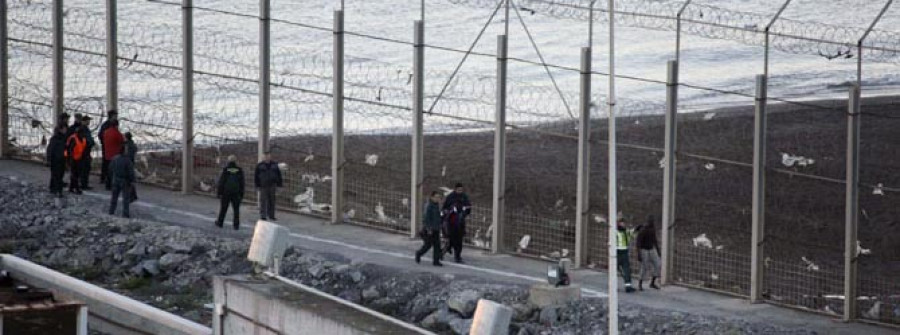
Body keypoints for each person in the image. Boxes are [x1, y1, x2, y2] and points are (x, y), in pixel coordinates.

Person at [442, 183, 471, 263]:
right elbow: (444, 208)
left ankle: (457, 256)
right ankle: (445, 252)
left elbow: (468, 207)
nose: (460, 191)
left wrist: (464, 213)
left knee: (459, 240)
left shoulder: (464, 197)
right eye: (459, 190)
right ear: (455, 189)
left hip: (460, 222)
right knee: (452, 240)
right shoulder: (450, 197)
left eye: (461, 190)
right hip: (451, 222)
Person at [415, 191, 444, 267]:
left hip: (436, 228)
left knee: (437, 245)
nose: (437, 199)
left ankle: (436, 261)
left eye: (439, 197)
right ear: (432, 197)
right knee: (428, 245)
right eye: (436, 197)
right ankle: (419, 253)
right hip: (429, 229)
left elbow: (439, 217)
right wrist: (428, 229)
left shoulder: (437, 206)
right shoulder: (429, 206)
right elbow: (426, 219)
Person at [216, 155, 244, 230]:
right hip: (236, 193)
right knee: (236, 210)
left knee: (223, 208)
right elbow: (242, 183)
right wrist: (241, 194)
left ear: (228, 161)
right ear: (236, 161)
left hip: (226, 192)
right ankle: (236, 225)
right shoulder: (239, 170)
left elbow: (222, 182)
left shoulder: (226, 169)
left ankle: (220, 222)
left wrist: (219, 193)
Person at [254, 151, 283, 221]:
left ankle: (271, 215)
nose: (267, 157)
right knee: (263, 201)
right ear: (263, 157)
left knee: (272, 201)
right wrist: (257, 185)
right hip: (263, 185)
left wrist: (280, 185)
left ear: (270, 156)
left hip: (272, 185)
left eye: (268, 156)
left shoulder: (275, 165)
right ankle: (263, 215)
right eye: (265, 156)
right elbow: (256, 176)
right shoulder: (259, 165)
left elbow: (279, 175)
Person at [108, 146, 135, 218]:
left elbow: (110, 168)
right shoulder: (127, 160)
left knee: (114, 197)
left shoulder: (115, 158)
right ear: (124, 151)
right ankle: (125, 214)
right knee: (125, 198)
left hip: (116, 179)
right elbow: (130, 172)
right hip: (125, 181)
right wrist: (132, 180)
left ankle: (111, 211)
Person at [636, 215, 661, 291]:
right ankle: (640, 283)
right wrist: (639, 253)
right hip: (644, 249)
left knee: (657, 264)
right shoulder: (643, 230)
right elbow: (638, 242)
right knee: (644, 267)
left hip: (651, 249)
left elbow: (654, 240)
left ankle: (652, 282)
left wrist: (658, 250)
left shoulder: (652, 229)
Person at [65, 124, 89, 194]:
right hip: (73, 159)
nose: (82, 134)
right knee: (74, 174)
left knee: (76, 174)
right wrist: (68, 159)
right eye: (81, 133)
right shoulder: (73, 139)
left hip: (80, 159)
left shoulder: (83, 140)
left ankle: (71, 188)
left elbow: (84, 149)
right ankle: (76, 188)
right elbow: (69, 150)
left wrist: (85, 157)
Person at [101, 120, 125, 189]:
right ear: (116, 125)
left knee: (109, 170)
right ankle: (114, 185)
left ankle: (108, 184)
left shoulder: (105, 132)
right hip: (115, 154)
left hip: (107, 154)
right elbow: (121, 141)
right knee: (115, 171)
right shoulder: (117, 133)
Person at [46, 124, 68, 197]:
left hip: (62, 160)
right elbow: (50, 150)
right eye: (64, 129)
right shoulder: (55, 139)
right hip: (55, 160)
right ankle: (58, 190)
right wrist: (49, 159)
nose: (66, 130)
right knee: (57, 176)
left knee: (58, 175)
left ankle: (53, 188)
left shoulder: (63, 139)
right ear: (60, 130)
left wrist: (66, 157)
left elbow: (65, 150)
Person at [616, 217, 637, 293]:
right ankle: (613, 286)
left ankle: (628, 286)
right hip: (617, 252)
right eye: (621, 223)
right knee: (615, 270)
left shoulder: (626, 231)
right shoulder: (615, 232)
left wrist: (636, 229)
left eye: (623, 223)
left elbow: (633, 234)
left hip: (624, 252)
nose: (623, 224)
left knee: (627, 270)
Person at [98, 111, 118, 189]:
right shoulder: (106, 125)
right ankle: (104, 178)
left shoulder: (112, 124)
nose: (116, 117)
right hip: (107, 147)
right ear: (111, 116)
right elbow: (101, 135)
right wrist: (105, 142)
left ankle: (107, 178)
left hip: (111, 147)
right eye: (115, 115)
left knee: (109, 162)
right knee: (106, 162)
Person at [77, 115, 96, 190]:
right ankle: (83, 184)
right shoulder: (83, 129)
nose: (89, 122)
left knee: (86, 168)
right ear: (84, 121)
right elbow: (85, 140)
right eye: (88, 120)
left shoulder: (85, 129)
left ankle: (84, 183)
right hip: (84, 152)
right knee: (84, 168)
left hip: (85, 151)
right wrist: (90, 143)